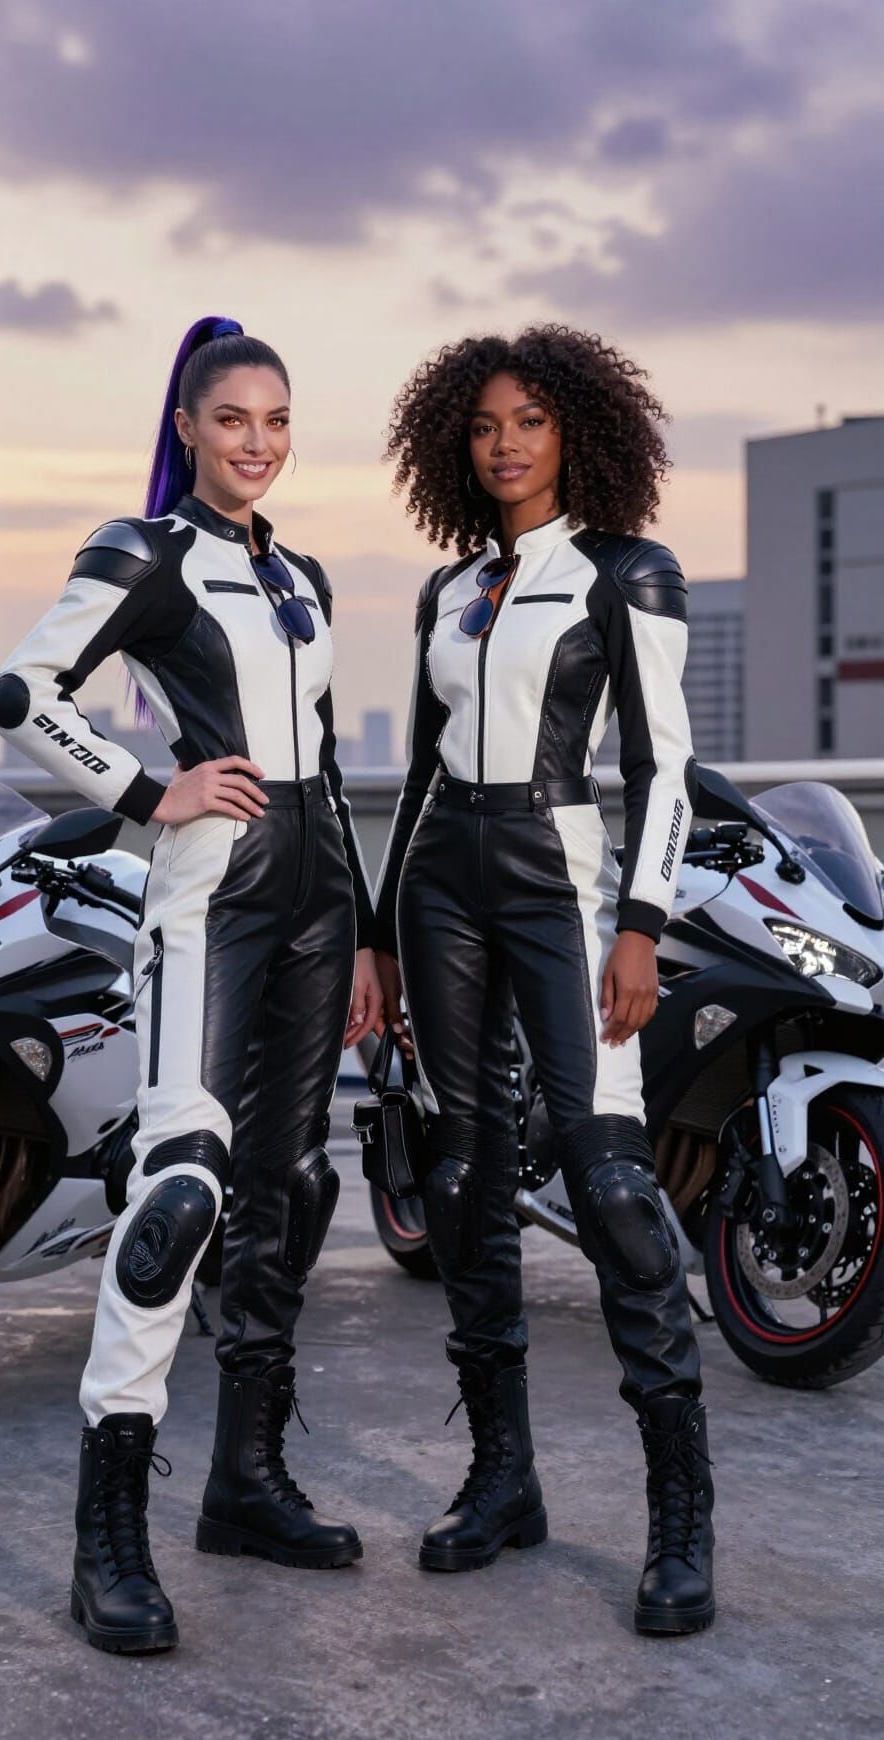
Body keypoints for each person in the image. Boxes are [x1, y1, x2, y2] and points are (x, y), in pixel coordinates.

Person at [0, 315, 382, 1653]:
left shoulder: (303, 574)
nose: (257, 443)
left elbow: (321, 763)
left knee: (288, 1195)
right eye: (233, 420)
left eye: (277, 421)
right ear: (186, 428)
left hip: (319, 899)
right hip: (210, 900)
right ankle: (111, 1539)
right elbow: (21, 693)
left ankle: (246, 1486)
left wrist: (365, 932)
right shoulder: (141, 554)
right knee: (181, 1199)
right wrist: (151, 790)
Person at [374, 326, 714, 1635]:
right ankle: (503, 1479)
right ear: (456, 443)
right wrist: (377, 936)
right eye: (484, 426)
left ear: (577, 430)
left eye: (530, 421)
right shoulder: (446, 595)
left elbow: (665, 768)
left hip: (563, 874)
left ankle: (681, 1519)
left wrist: (640, 924)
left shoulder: (631, 572)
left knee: (609, 1174)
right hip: (440, 882)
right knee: (462, 1174)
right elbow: (410, 776)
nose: (506, 443)